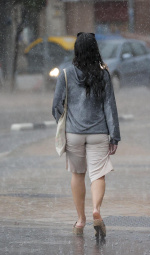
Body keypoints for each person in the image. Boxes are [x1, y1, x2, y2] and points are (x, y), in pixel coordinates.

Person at [52, 32, 120, 238]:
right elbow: (110, 106)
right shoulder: (103, 74)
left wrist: (64, 124)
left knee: (77, 174)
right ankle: (96, 210)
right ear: (95, 49)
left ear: (76, 50)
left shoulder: (65, 74)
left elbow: (56, 105)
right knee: (98, 174)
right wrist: (114, 135)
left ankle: (81, 220)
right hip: (99, 132)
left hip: (74, 133)